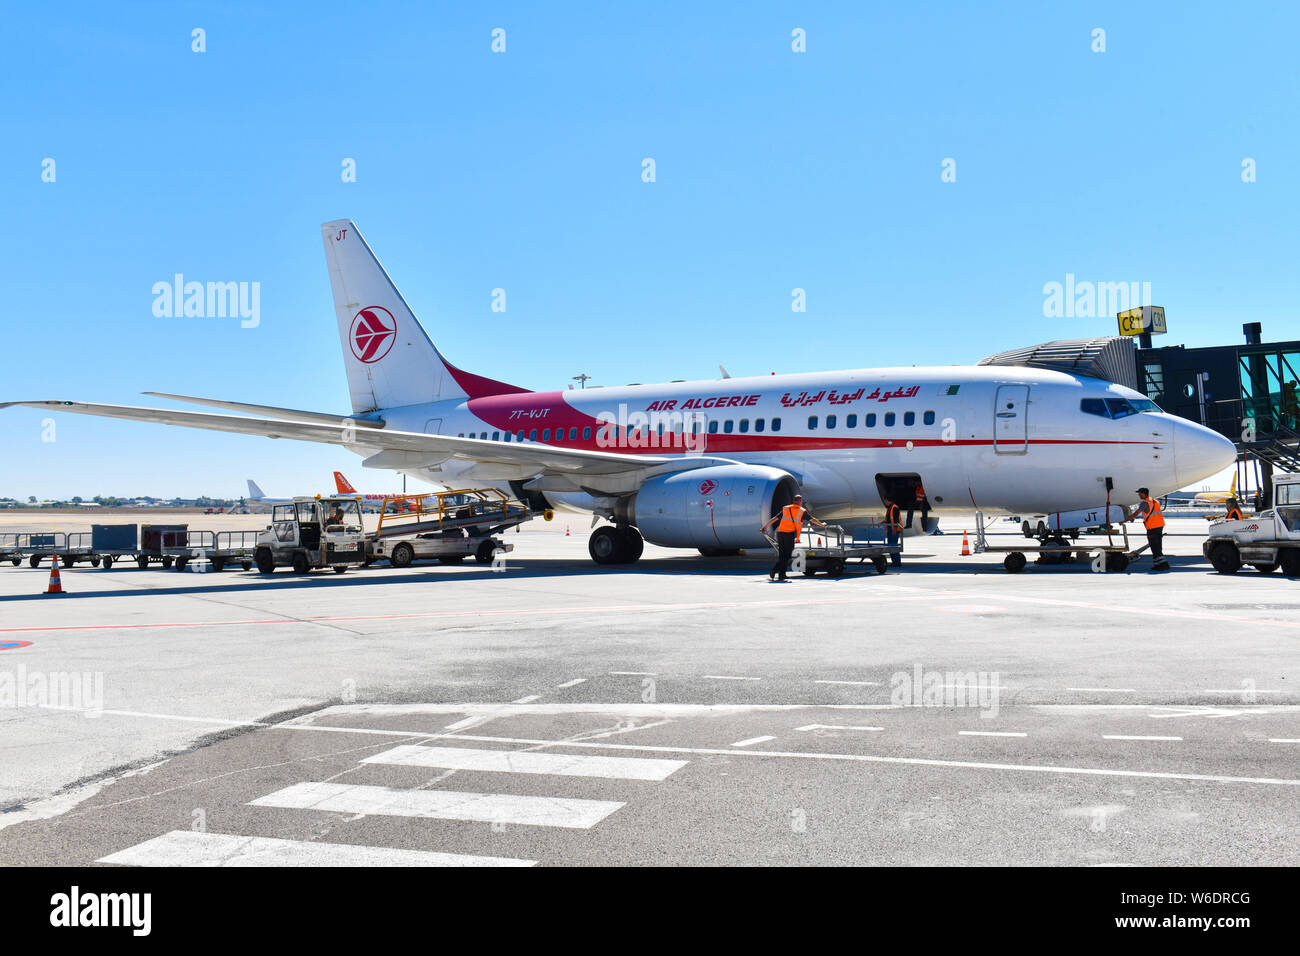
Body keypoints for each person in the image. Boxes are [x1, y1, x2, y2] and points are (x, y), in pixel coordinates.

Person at [761, 493, 826, 581]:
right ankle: (775, 569)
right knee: (787, 556)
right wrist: (821, 524)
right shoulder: (801, 511)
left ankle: (782, 575)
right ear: (800, 501)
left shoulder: (786, 508)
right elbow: (812, 519)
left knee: (782, 555)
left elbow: (774, 519)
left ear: (793, 501)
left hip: (780, 533)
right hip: (788, 534)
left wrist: (765, 527)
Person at [1129, 487, 1169, 571]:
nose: (1139, 495)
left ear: (1143, 494)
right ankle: (1158, 564)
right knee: (1158, 547)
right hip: (1159, 526)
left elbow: (1136, 513)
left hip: (1152, 528)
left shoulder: (1145, 503)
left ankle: (1164, 565)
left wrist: (1124, 520)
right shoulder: (1155, 501)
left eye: (1139, 493)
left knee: (1155, 547)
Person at [883, 496, 903, 566]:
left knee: (893, 546)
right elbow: (889, 519)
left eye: (885, 501)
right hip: (890, 529)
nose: (884, 502)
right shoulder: (890, 508)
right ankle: (894, 561)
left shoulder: (894, 508)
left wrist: (894, 530)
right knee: (891, 546)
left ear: (888, 500)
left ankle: (897, 562)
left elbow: (896, 520)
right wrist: (883, 522)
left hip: (893, 530)